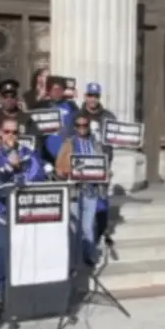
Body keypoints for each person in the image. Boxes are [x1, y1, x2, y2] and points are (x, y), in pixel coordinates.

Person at [0, 116, 45, 314]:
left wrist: (19, 170)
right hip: (1, 213)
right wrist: (8, 167)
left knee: (22, 255)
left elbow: (37, 177)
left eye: (14, 132)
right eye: (7, 131)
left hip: (24, 214)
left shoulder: (29, 154)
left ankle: (19, 293)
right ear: (0, 133)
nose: (10, 136)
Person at [55, 112, 112, 266]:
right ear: (74, 127)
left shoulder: (96, 144)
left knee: (87, 226)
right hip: (74, 191)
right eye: (78, 125)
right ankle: (73, 257)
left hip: (91, 190)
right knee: (74, 225)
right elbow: (59, 166)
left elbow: (103, 164)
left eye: (84, 125)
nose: (81, 128)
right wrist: (65, 171)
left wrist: (106, 173)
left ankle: (89, 256)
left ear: (89, 126)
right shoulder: (69, 143)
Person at [80, 82, 117, 246]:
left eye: (95, 96)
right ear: (85, 96)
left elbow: (116, 138)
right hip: (81, 165)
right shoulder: (77, 115)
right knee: (84, 198)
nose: (92, 99)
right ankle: (84, 235)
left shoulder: (108, 117)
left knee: (102, 198)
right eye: (90, 95)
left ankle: (101, 232)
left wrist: (108, 164)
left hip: (102, 163)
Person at [0, 79, 42, 156]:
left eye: (12, 96)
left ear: (17, 98)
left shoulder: (27, 120)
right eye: (5, 96)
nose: (9, 99)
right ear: (0, 98)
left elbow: (37, 146)